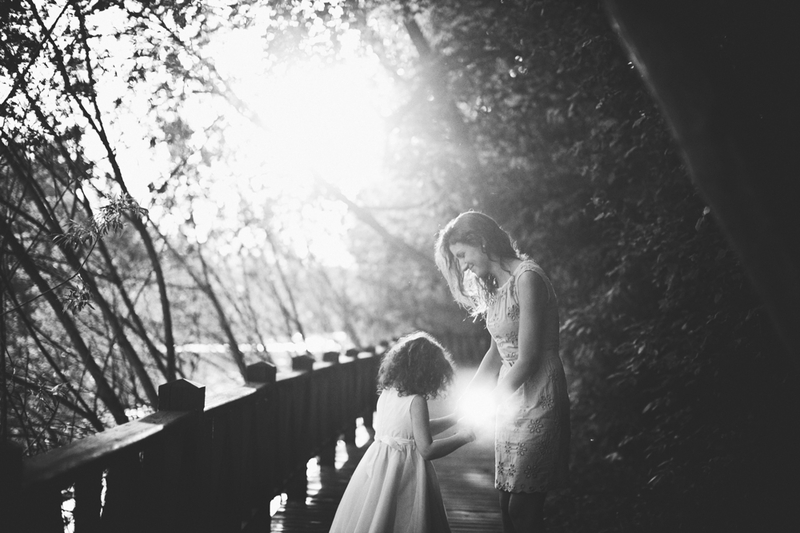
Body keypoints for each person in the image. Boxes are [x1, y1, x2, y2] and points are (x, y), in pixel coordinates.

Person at [435, 211, 570, 533]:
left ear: (481, 241)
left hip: (539, 395)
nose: (463, 266)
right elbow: (496, 352)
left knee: (522, 508)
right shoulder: (496, 288)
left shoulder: (527, 278)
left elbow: (528, 358)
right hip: (511, 399)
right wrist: (467, 400)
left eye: (462, 255)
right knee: (506, 503)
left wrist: (491, 403)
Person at [329, 331, 476, 533]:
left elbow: (412, 429)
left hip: (381, 467)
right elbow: (427, 450)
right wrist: (463, 437)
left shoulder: (387, 394)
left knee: (379, 516)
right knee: (404, 519)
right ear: (428, 372)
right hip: (405, 470)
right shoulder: (416, 400)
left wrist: (453, 419)